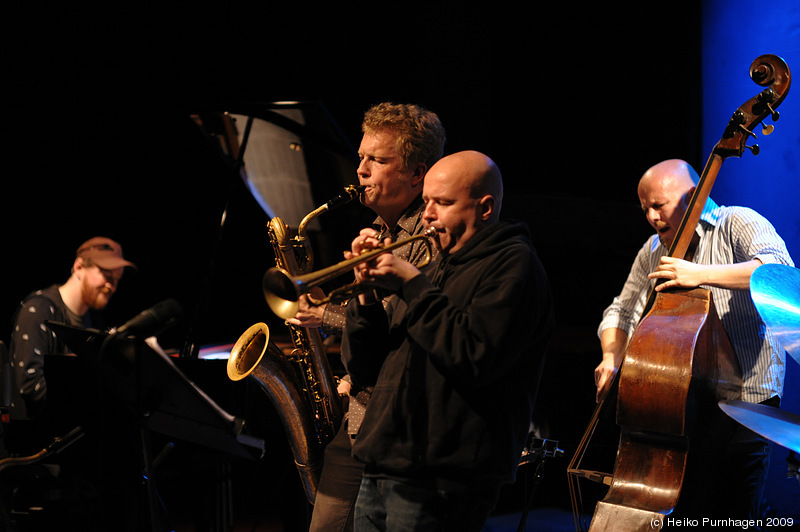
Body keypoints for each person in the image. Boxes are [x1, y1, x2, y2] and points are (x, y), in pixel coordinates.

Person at [341, 151, 555, 531]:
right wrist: (366, 297)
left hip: (443, 476)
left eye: (442, 202)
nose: (427, 215)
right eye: (426, 201)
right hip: (384, 462)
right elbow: (366, 367)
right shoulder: (434, 268)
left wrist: (411, 284)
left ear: (485, 208)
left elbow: (474, 355)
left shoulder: (514, 265)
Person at [594, 159, 794, 521]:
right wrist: (611, 356)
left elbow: (778, 273)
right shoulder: (654, 249)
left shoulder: (737, 222)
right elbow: (620, 311)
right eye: (645, 209)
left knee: (732, 514)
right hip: (685, 406)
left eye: (660, 205)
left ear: (694, 196)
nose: (653, 218)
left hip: (748, 400)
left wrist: (699, 273)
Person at [302, 102, 446, 532]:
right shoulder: (383, 232)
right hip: (360, 414)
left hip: (397, 427)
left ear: (417, 172)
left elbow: (402, 323)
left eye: (378, 160)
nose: (360, 169)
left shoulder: (429, 235)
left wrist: (324, 314)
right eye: (361, 156)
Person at [9, 236, 136, 424]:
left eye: (117, 279)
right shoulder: (38, 310)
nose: (111, 286)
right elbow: (30, 387)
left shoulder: (92, 321)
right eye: (107, 275)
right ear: (79, 267)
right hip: (36, 441)